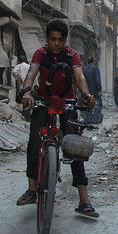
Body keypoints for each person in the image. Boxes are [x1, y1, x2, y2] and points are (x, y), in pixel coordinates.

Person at [16, 19, 98, 217]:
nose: (57, 44)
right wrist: (27, 92)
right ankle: (32, 188)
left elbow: (80, 78)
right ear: (47, 39)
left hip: (68, 101)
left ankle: (84, 199)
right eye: (53, 39)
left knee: (74, 147)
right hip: (43, 100)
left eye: (61, 40)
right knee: (35, 141)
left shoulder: (72, 55)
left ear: (65, 40)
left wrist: (86, 95)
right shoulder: (40, 54)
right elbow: (31, 74)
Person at [82, 57, 102, 123]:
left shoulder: (83, 69)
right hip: (95, 91)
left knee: (87, 105)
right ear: (94, 62)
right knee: (98, 106)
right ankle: (94, 121)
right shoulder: (95, 69)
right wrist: (99, 90)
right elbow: (97, 80)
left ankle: (88, 121)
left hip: (86, 91)